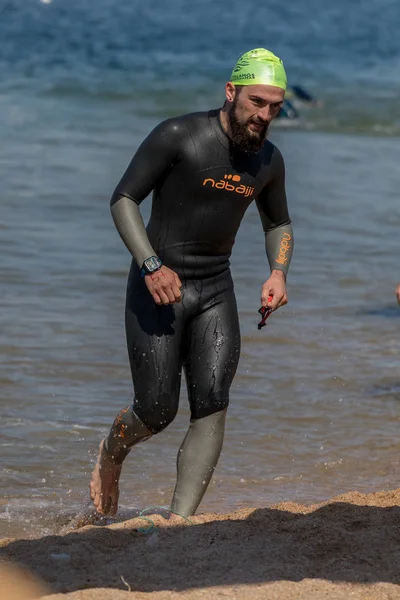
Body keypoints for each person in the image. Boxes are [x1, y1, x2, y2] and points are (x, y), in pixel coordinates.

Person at [89, 48, 294, 518]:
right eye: (257, 102)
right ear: (231, 92)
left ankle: (179, 523)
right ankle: (111, 451)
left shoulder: (269, 161)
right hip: (156, 286)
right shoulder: (179, 136)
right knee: (156, 411)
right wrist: (150, 264)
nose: (265, 115)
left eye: (275, 107)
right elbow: (124, 199)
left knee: (213, 401)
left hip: (215, 289)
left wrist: (278, 272)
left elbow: (277, 223)